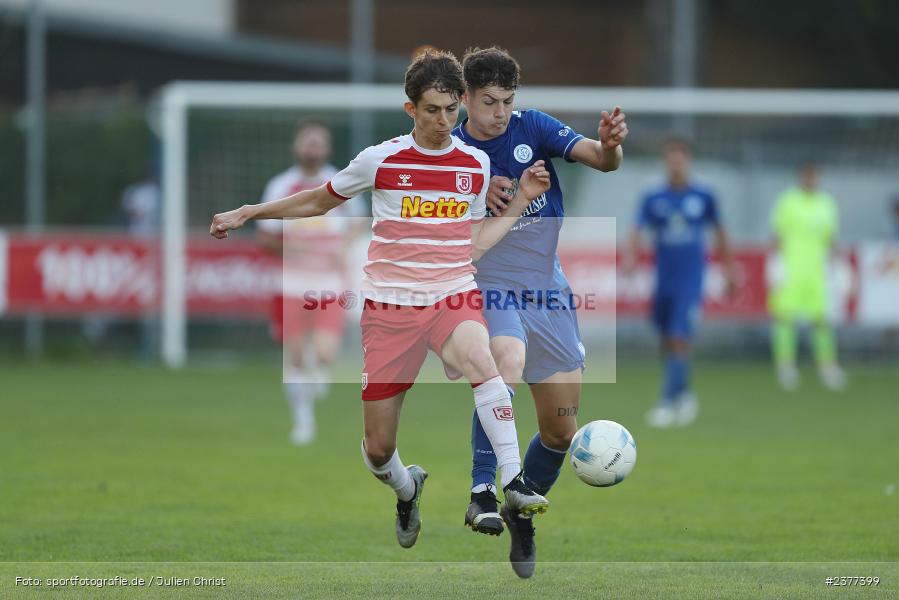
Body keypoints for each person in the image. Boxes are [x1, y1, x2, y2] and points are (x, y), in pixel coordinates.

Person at [210, 49, 552, 549]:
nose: (443, 121)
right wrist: (249, 212)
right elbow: (318, 200)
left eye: (451, 109)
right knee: (378, 449)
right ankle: (407, 488)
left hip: (452, 296)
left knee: (486, 360)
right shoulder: (381, 159)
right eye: (432, 110)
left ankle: (513, 481)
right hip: (390, 311)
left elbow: (473, 242)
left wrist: (520, 200)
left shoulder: (475, 165)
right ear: (410, 109)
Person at [453, 46, 627, 578]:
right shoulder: (453, 152)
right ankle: (485, 489)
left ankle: (520, 513)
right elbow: (453, 237)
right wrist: (483, 196)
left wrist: (614, 146)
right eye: (488, 102)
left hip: (546, 286)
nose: (500, 112)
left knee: (559, 432)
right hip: (490, 283)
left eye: (507, 101)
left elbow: (602, 159)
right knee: (503, 362)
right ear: (464, 99)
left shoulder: (534, 128)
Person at [256, 120, 364, 445]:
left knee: (325, 352)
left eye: (318, 143)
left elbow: (357, 226)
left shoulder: (339, 184)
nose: (312, 149)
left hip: (328, 285)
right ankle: (303, 424)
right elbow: (266, 238)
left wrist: (342, 247)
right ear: (297, 147)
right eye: (308, 142)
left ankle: (320, 373)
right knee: (296, 358)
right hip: (290, 286)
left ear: (327, 149)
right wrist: (298, 247)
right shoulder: (280, 187)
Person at [623, 138, 737, 428]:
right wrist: (631, 256)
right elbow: (637, 228)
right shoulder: (654, 197)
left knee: (678, 337)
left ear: (688, 161)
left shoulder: (704, 195)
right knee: (666, 337)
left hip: (692, 279)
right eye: (670, 159)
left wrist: (729, 269)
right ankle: (684, 394)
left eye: (680, 158)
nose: (675, 164)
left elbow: (720, 231)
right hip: (665, 280)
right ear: (665, 162)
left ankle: (667, 401)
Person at [768, 163, 845, 391]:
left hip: (817, 272)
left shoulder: (827, 203)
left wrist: (837, 265)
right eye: (807, 175)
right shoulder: (788, 201)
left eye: (814, 175)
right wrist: (776, 264)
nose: (810, 179)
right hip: (791, 270)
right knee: (785, 318)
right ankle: (785, 367)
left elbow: (831, 238)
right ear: (800, 177)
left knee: (821, 320)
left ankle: (827, 366)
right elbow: (777, 234)